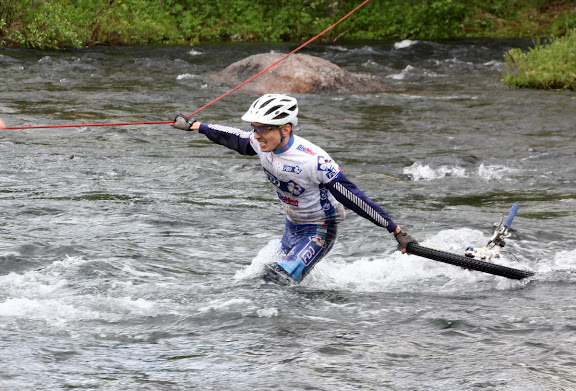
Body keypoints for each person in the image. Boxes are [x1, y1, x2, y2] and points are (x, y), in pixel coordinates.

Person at [172, 94, 415, 283]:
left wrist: (394, 229)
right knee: (261, 277)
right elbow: (234, 137)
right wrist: (195, 125)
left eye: (263, 129)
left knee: (276, 280)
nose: (256, 136)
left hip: (319, 230)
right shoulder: (260, 142)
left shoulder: (313, 161)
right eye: (255, 128)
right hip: (292, 226)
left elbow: (353, 197)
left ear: (285, 129)